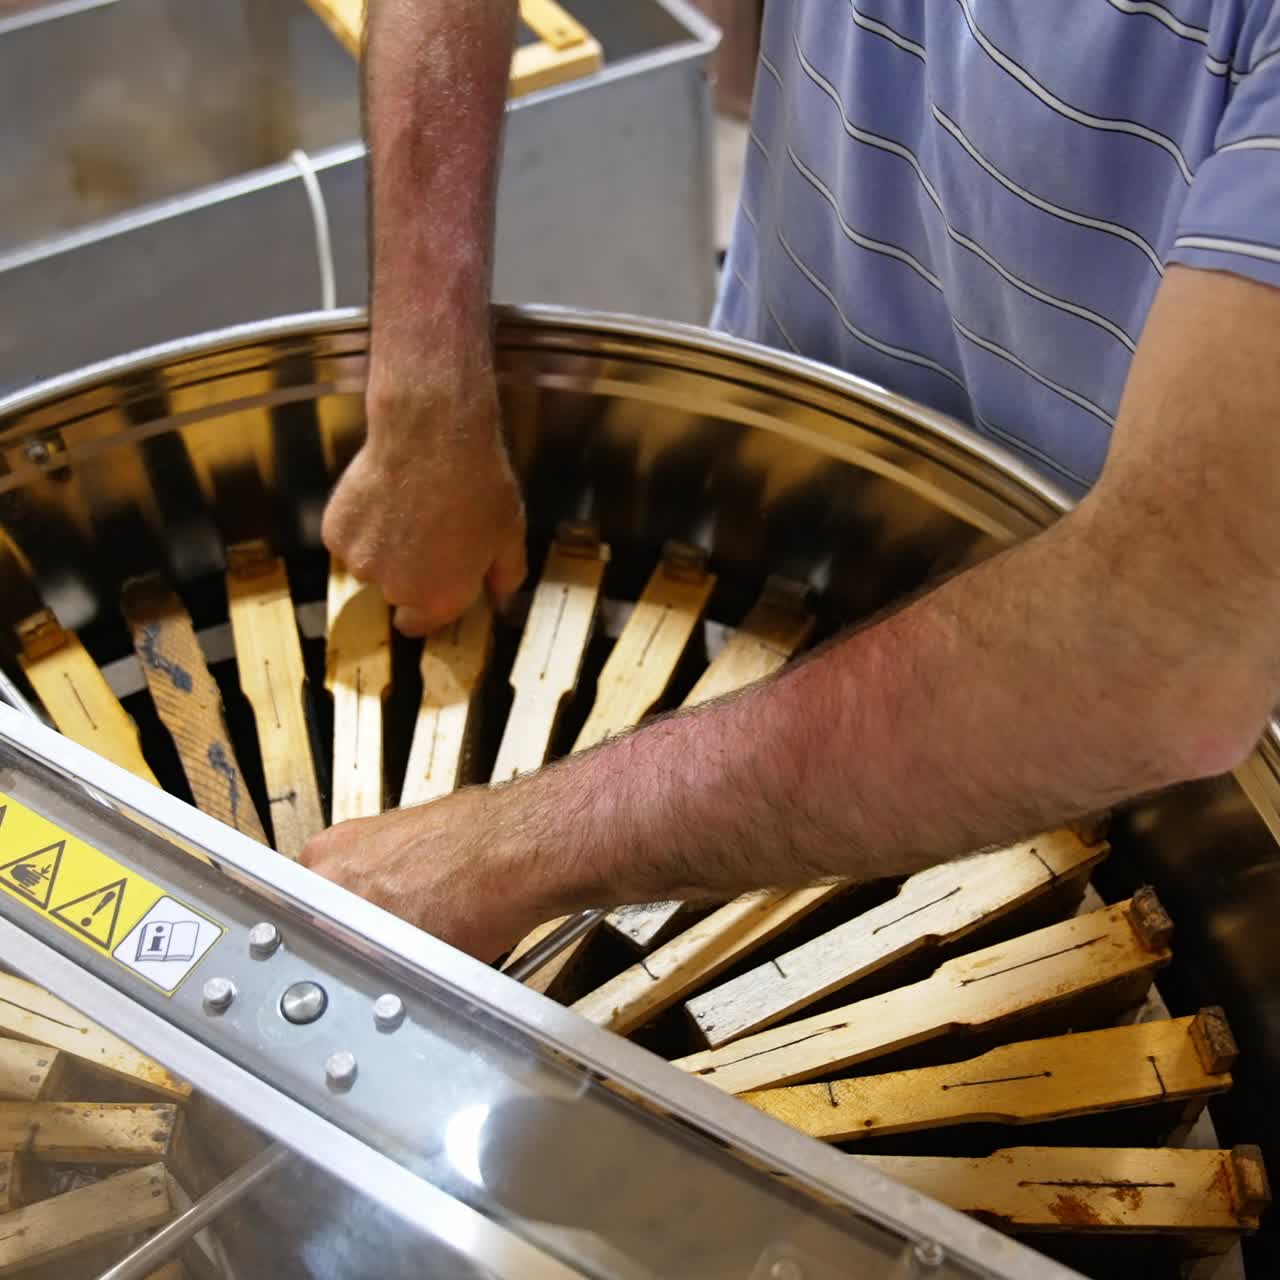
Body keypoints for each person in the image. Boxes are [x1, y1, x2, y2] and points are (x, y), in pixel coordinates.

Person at [305, 0, 1280, 963]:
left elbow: (1155, 649)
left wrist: (500, 854)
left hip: (1091, 749)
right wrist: (425, 392)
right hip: (778, 533)